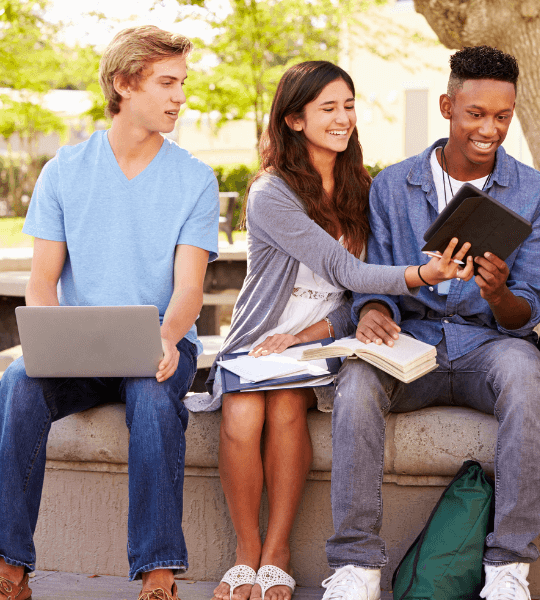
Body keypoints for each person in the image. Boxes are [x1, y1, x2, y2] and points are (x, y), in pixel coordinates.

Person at [206, 61, 472, 600]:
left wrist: (314, 334)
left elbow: (355, 296)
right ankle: (244, 553)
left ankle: (277, 553)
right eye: (328, 108)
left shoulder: (364, 187)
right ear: (295, 119)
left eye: (348, 106)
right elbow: (345, 269)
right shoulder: (271, 193)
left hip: (327, 337)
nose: (343, 118)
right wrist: (421, 274)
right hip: (262, 336)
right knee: (240, 413)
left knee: (283, 408)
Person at [319, 46, 540, 600]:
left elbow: (528, 311)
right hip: (411, 340)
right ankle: (355, 565)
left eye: (503, 116)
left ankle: (508, 567)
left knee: (526, 377)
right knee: (355, 382)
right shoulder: (392, 186)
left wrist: (498, 294)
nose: (489, 129)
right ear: (448, 106)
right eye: (475, 114)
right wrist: (375, 310)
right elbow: (371, 277)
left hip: (488, 343)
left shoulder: (536, 193)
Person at [0, 25, 220, 600]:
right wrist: (48, 340)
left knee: (150, 396)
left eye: (183, 83)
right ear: (124, 83)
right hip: (79, 348)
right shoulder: (64, 171)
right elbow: (43, 281)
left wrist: (169, 340)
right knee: (18, 381)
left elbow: (189, 290)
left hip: (162, 344)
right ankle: (10, 567)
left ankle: (158, 572)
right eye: (166, 83)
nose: (180, 97)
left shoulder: (194, 178)